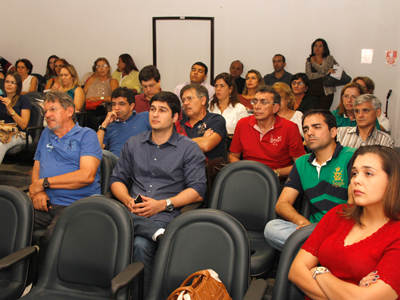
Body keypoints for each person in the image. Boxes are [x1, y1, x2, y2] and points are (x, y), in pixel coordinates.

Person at [110, 91, 206, 297]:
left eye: (162, 110)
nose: (155, 114)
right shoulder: (134, 144)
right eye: (152, 109)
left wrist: (162, 204)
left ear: (175, 117)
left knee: (140, 243)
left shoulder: (188, 149)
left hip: (165, 214)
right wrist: (127, 200)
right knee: (100, 214)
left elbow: (197, 191)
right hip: (131, 210)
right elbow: (116, 180)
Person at [289, 145, 400, 300]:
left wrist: (319, 271)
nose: (356, 180)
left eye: (368, 173)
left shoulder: (396, 233)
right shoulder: (338, 213)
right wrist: (349, 292)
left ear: (393, 181)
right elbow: (295, 271)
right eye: (354, 173)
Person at [29, 91, 102, 272]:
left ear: (70, 111)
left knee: (51, 237)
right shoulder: (46, 134)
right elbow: (37, 168)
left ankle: (39, 283)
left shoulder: (86, 135)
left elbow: (86, 175)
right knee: (9, 220)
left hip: (75, 206)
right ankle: (13, 274)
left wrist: (43, 183)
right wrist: (38, 191)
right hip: (44, 203)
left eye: (53, 109)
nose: (47, 115)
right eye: (45, 111)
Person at [264, 109, 355, 251]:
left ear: (333, 132)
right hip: (312, 229)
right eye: (306, 129)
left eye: (317, 127)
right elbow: (282, 204)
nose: (309, 133)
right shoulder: (301, 163)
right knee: (272, 228)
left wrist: (328, 231)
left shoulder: (351, 157)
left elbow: (354, 205)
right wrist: (303, 223)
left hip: (344, 229)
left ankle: (315, 252)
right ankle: (324, 252)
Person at [229, 85, 305, 180]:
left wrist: (275, 173)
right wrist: (243, 171)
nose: (257, 106)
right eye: (255, 101)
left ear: (275, 108)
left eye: (263, 102)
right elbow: (233, 156)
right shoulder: (243, 124)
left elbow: (301, 164)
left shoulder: (290, 127)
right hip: (248, 177)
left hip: (277, 179)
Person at [97, 87, 151, 165]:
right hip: (116, 164)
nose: (116, 108)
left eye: (121, 104)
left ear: (131, 106)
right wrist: (104, 124)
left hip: (139, 161)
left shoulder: (145, 117)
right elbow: (96, 149)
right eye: (113, 104)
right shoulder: (109, 126)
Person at [177, 84, 227, 160]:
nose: (185, 103)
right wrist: (201, 139)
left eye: (190, 98)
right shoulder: (179, 124)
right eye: (183, 100)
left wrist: (177, 142)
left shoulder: (216, 120)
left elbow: (206, 145)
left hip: (208, 169)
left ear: (203, 100)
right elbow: (169, 148)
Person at [0, 71, 31, 164]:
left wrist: (10, 108)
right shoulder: (1, 98)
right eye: (7, 82)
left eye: (13, 82)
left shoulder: (24, 100)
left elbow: (23, 125)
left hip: (20, 134)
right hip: (2, 131)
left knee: (1, 144)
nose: (9, 85)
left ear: (18, 85)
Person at [84, 57, 119, 130]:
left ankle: (97, 134)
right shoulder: (91, 80)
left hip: (102, 107)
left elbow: (115, 98)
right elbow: (83, 93)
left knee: (88, 115)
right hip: (88, 106)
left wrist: (98, 98)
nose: (101, 68)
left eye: (104, 65)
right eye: (99, 66)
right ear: (96, 69)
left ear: (109, 67)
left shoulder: (113, 81)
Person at [305, 38, 336, 110]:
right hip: (311, 92)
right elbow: (309, 76)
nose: (317, 48)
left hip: (326, 93)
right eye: (315, 46)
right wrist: (326, 74)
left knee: (323, 114)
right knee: (312, 114)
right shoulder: (309, 59)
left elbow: (323, 69)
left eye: (320, 46)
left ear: (324, 49)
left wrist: (314, 63)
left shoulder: (329, 58)